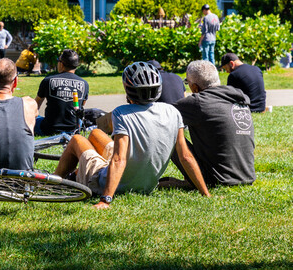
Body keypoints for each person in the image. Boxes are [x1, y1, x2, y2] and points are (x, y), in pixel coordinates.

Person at [53, 61, 210, 208]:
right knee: (95, 133)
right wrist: (205, 193)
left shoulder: (122, 113)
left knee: (76, 139)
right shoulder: (172, 111)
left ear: (128, 89)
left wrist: (105, 200)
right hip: (146, 185)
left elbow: (119, 159)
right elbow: (186, 157)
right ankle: (76, 173)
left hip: (107, 183)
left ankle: (52, 183)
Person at [171, 60, 255, 186]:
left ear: (195, 87)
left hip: (216, 179)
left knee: (169, 134)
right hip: (247, 176)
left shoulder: (198, 103)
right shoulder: (238, 99)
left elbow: (161, 115)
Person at [34, 49, 89, 136]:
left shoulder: (48, 80)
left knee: (36, 119)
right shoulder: (84, 84)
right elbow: (81, 105)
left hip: (50, 128)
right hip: (74, 129)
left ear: (61, 64)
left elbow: (35, 105)